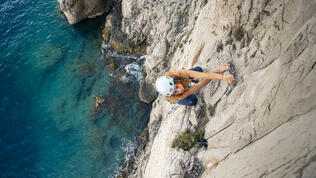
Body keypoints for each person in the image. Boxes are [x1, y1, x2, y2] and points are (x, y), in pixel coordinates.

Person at [155, 64, 236, 106]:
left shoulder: (179, 73)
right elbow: (200, 85)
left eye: (176, 87)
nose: (180, 90)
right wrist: (217, 71)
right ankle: (189, 83)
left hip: (182, 79)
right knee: (193, 101)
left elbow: (204, 76)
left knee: (199, 70)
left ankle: (191, 79)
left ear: (176, 81)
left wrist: (222, 76)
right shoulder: (179, 95)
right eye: (175, 91)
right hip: (178, 97)